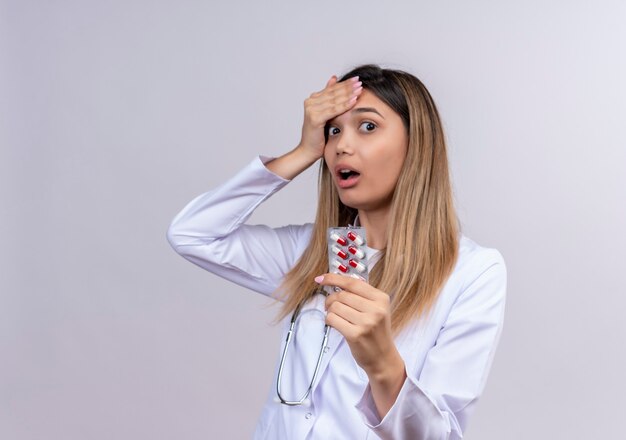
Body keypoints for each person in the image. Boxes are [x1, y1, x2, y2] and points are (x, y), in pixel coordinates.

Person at [166, 64, 507, 439]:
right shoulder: (311, 255)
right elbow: (192, 234)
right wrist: (301, 152)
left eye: (368, 126)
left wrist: (384, 367)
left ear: (417, 144)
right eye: (333, 131)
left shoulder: (471, 273)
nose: (342, 145)